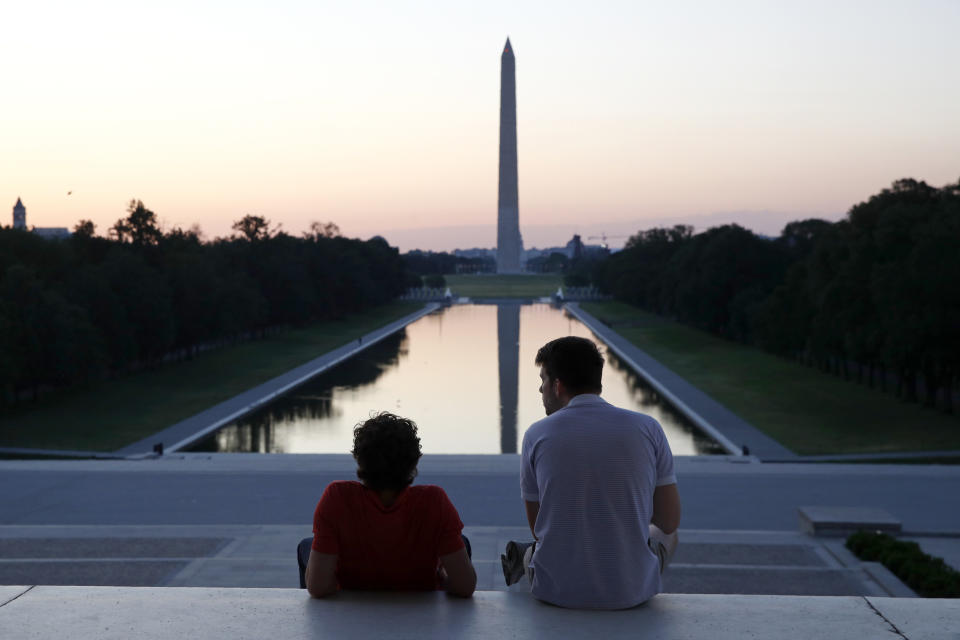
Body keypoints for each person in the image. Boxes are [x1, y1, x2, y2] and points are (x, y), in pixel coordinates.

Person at [502, 336, 681, 609]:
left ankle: (525, 556)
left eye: (543, 380)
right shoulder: (649, 428)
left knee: (538, 546)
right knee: (668, 535)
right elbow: (668, 522)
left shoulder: (536, 435)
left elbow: (539, 527)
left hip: (556, 590)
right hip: (630, 593)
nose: (540, 389)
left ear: (558, 385)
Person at [298, 412, 476, 598]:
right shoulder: (434, 501)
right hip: (418, 603)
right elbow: (464, 587)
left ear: (360, 461)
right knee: (461, 542)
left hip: (356, 600)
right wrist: (443, 576)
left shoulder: (337, 498)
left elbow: (318, 588)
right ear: (413, 462)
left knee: (307, 546)